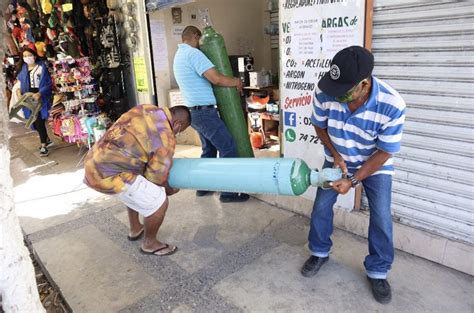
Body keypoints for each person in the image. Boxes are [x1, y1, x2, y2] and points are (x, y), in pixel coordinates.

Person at [300, 46, 406, 304]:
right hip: (337, 157)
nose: (335, 97)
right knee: (321, 207)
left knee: (381, 215)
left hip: (374, 164)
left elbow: (384, 152)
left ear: (364, 84)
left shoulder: (392, 104)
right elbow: (319, 124)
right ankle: (319, 252)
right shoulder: (328, 90)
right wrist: (334, 153)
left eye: (343, 93)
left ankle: (378, 270)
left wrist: (354, 180)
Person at [84, 104, 191, 256]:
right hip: (110, 175)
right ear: (177, 124)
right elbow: (156, 178)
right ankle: (150, 243)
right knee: (158, 200)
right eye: (180, 131)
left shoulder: (145, 108)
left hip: (93, 164)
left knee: (137, 183)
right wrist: (171, 189)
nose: (177, 133)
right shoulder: (165, 136)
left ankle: (135, 228)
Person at [173, 25, 249, 203]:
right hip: (204, 112)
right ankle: (229, 193)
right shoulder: (193, 54)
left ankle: (203, 187)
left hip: (194, 113)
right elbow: (215, 78)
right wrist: (236, 81)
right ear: (196, 37)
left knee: (209, 150)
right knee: (228, 148)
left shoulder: (179, 55)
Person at [17, 47, 53, 157]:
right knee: (33, 121)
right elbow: (18, 83)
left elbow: (47, 83)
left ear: (34, 56)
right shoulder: (22, 69)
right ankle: (46, 138)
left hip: (38, 95)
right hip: (27, 96)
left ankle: (43, 146)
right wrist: (19, 94)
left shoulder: (41, 67)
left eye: (29, 55)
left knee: (38, 120)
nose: (27, 58)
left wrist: (40, 93)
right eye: (25, 56)